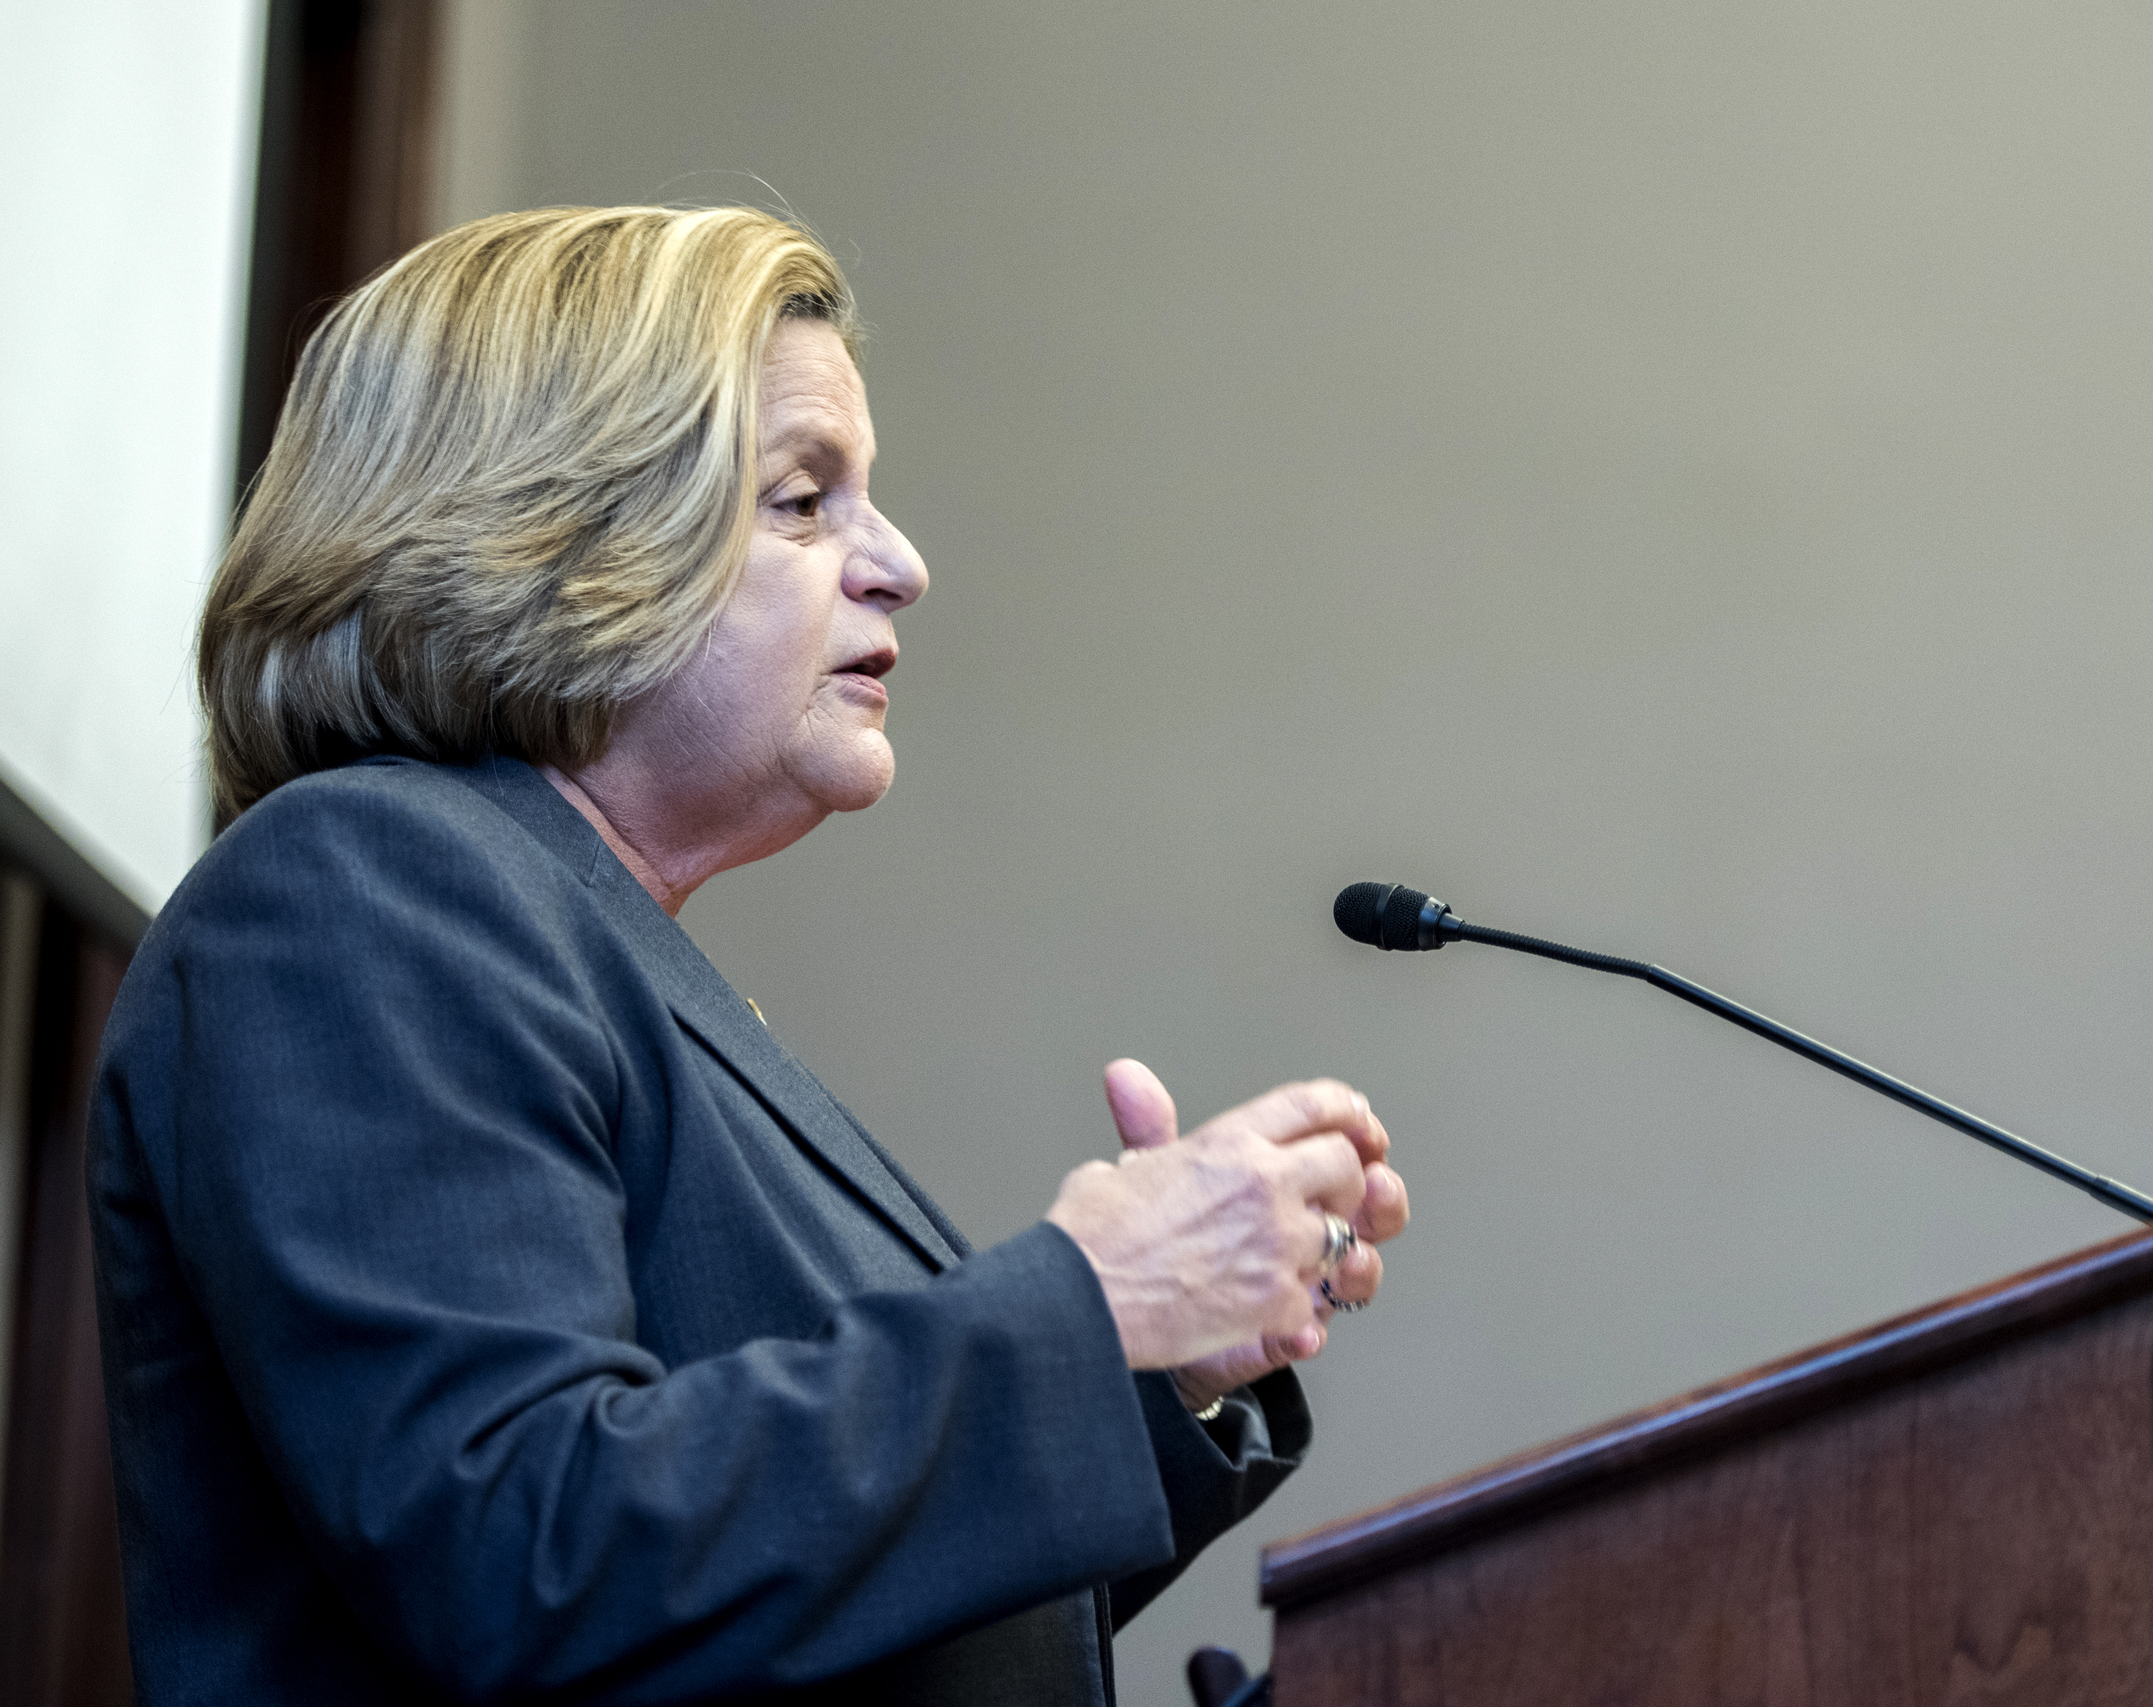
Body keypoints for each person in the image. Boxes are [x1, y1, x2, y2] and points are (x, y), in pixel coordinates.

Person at [87, 205, 1409, 1705]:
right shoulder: (356, 891)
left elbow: (806, 1609)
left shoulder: (597, 954)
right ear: (549, 534)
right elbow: (524, 1556)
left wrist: (1149, 1370)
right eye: (801, 500)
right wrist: (1091, 1310)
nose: (900, 564)